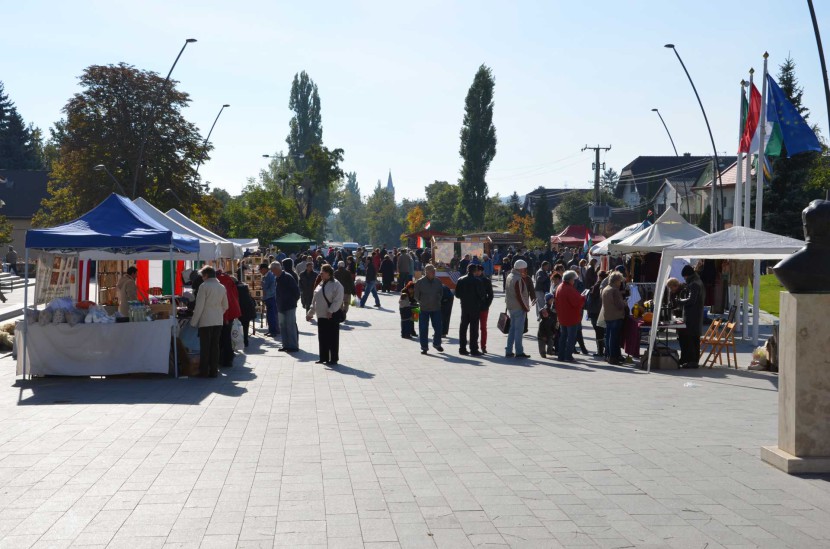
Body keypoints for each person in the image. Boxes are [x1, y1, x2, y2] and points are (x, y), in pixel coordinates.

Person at [190, 266, 228, 377]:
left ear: (206, 275)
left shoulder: (204, 286)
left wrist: (194, 322)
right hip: (218, 320)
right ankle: (214, 370)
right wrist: (218, 313)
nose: (202, 278)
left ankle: (204, 371)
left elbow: (199, 306)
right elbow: (225, 305)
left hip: (206, 320)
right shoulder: (221, 287)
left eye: (202, 276)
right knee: (215, 346)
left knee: (205, 346)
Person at [308, 264, 344, 365]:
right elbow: (315, 299)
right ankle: (323, 357)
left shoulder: (336, 284)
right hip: (321, 315)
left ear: (328, 273)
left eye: (322, 272)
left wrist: (331, 310)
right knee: (322, 337)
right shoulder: (321, 283)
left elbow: (338, 300)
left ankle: (333, 359)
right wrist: (310, 313)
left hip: (331, 315)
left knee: (332, 338)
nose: (320, 274)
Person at [677, 265, 705, 368]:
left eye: (684, 276)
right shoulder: (697, 281)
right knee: (692, 338)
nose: (684, 278)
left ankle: (692, 361)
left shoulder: (694, 284)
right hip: (695, 314)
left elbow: (692, 300)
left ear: (688, 275)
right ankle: (688, 359)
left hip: (693, 315)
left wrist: (680, 302)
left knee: (691, 338)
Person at [554, 270, 586, 362]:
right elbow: (576, 302)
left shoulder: (560, 286)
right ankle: (568, 356)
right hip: (571, 316)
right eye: (574, 279)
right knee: (571, 337)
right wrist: (583, 297)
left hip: (562, 316)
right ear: (570, 279)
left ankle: (561, 356)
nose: (574, 281)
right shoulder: (569, 289)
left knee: (563, 336)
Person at [454, 263, 485, 356]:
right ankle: (473, 348)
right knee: (474, 328)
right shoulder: (477, 281)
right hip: (475, 306)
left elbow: (457, 294)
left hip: (464, 306)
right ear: (475, 271)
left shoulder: (460, 280)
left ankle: (462, 348)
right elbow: (482, 295)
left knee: (463, 327)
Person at [414, 264, 444, 354]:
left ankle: (437, 344)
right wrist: (421, 302)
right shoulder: (420, 282)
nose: (434, 272)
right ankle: (424, 347)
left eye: (434, 271)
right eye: (432, 271)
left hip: (436, 308)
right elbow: (416, 296)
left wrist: (438, 301)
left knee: (439, 328)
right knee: (423, 329)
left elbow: (441, 293)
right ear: (426, 272)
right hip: (424, 309)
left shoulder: (438, 281)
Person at [505, 259, 532, 358]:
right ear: (521, 268)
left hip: (511, 306)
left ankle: (508, 350)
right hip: (518, 307)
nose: (525, 270)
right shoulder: (518, 279)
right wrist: (526, 307)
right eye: (524, 268)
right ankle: (519, 351)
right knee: (518, 331)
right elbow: (519, 295)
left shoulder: (510, 276)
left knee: (512, 329)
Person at [273, 262, 301, 353]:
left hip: (289, 306)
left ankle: (293, 346)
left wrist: (293, 301)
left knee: (290, 325)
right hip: (281, 306)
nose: (273, 273)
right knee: (283, 326)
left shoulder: (288, 277)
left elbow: (296, 291)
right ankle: (285, 345)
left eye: (273, 270)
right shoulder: (277, 278)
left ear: (277, 269)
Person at [216, 270, 241, 368]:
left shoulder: (220, 281)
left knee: (223, 337)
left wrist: (225, 317)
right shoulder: (228, 279)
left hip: (226, 312)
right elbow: (234, 296)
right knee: (226, 336)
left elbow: (225, 301)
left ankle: (226, 360)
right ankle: (227, 358)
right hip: (232, 310)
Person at [601, 271, 627, 365]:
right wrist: (624, 303)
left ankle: (608, 355)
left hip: (608, 315)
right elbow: (619, 305)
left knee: (608, 336)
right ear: (616, 281)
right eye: (620, 281)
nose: (620, 283)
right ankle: (613, 357)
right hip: (616, 316)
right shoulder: (614, 290)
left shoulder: (606, 289)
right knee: (614, 338)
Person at [586, 270, 608, 358]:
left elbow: (592, 298)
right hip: (603, 310)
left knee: (598, 331)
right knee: (602, 331)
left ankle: (600, 351)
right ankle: (604, 350)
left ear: (599, 276)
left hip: (596, 311)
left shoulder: (597, 285)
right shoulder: (607, 285)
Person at [235, 276, 257, 347]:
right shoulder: (245, 289)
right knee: (245, 326)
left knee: (238, 326)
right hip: (248, 311)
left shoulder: (236, 290)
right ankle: (245, 341)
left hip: (240, 310)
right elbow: (253, 302)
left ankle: (239, 340)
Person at [476, 264, 494, 353]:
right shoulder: (473, 280)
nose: (477, 272)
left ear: (482, 271)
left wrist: (487, 305)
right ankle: (474, 345)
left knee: (483, 327)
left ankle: (483, 346)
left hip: (483, 307)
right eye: (476, 270)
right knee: (474, 327)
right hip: (474, 308)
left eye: (479, 270)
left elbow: (490, 295)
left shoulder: (486, 280)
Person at [261, 263, 280, 338]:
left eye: (261, 270)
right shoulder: (266, 276)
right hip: (269, 297)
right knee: (270, 315)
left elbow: (270, 288)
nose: (260, 271)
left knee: (271, 315)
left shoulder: (270, 276)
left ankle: (273, 331)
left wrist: (264, 291)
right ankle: (271, 330)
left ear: (265, 269)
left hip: (271, 297)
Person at [537, 293, 557, 359]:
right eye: (544, 313)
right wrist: (543, 336)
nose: (545, 314)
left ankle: (549, 351)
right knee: (542, 346)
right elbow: (540, 330)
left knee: (551, 342)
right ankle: (542, 353)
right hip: (541, 336)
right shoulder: (542, 322)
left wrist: (554, 333)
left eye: (546, 313)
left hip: (548, 334)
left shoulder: (550, 320)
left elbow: (552, 327)